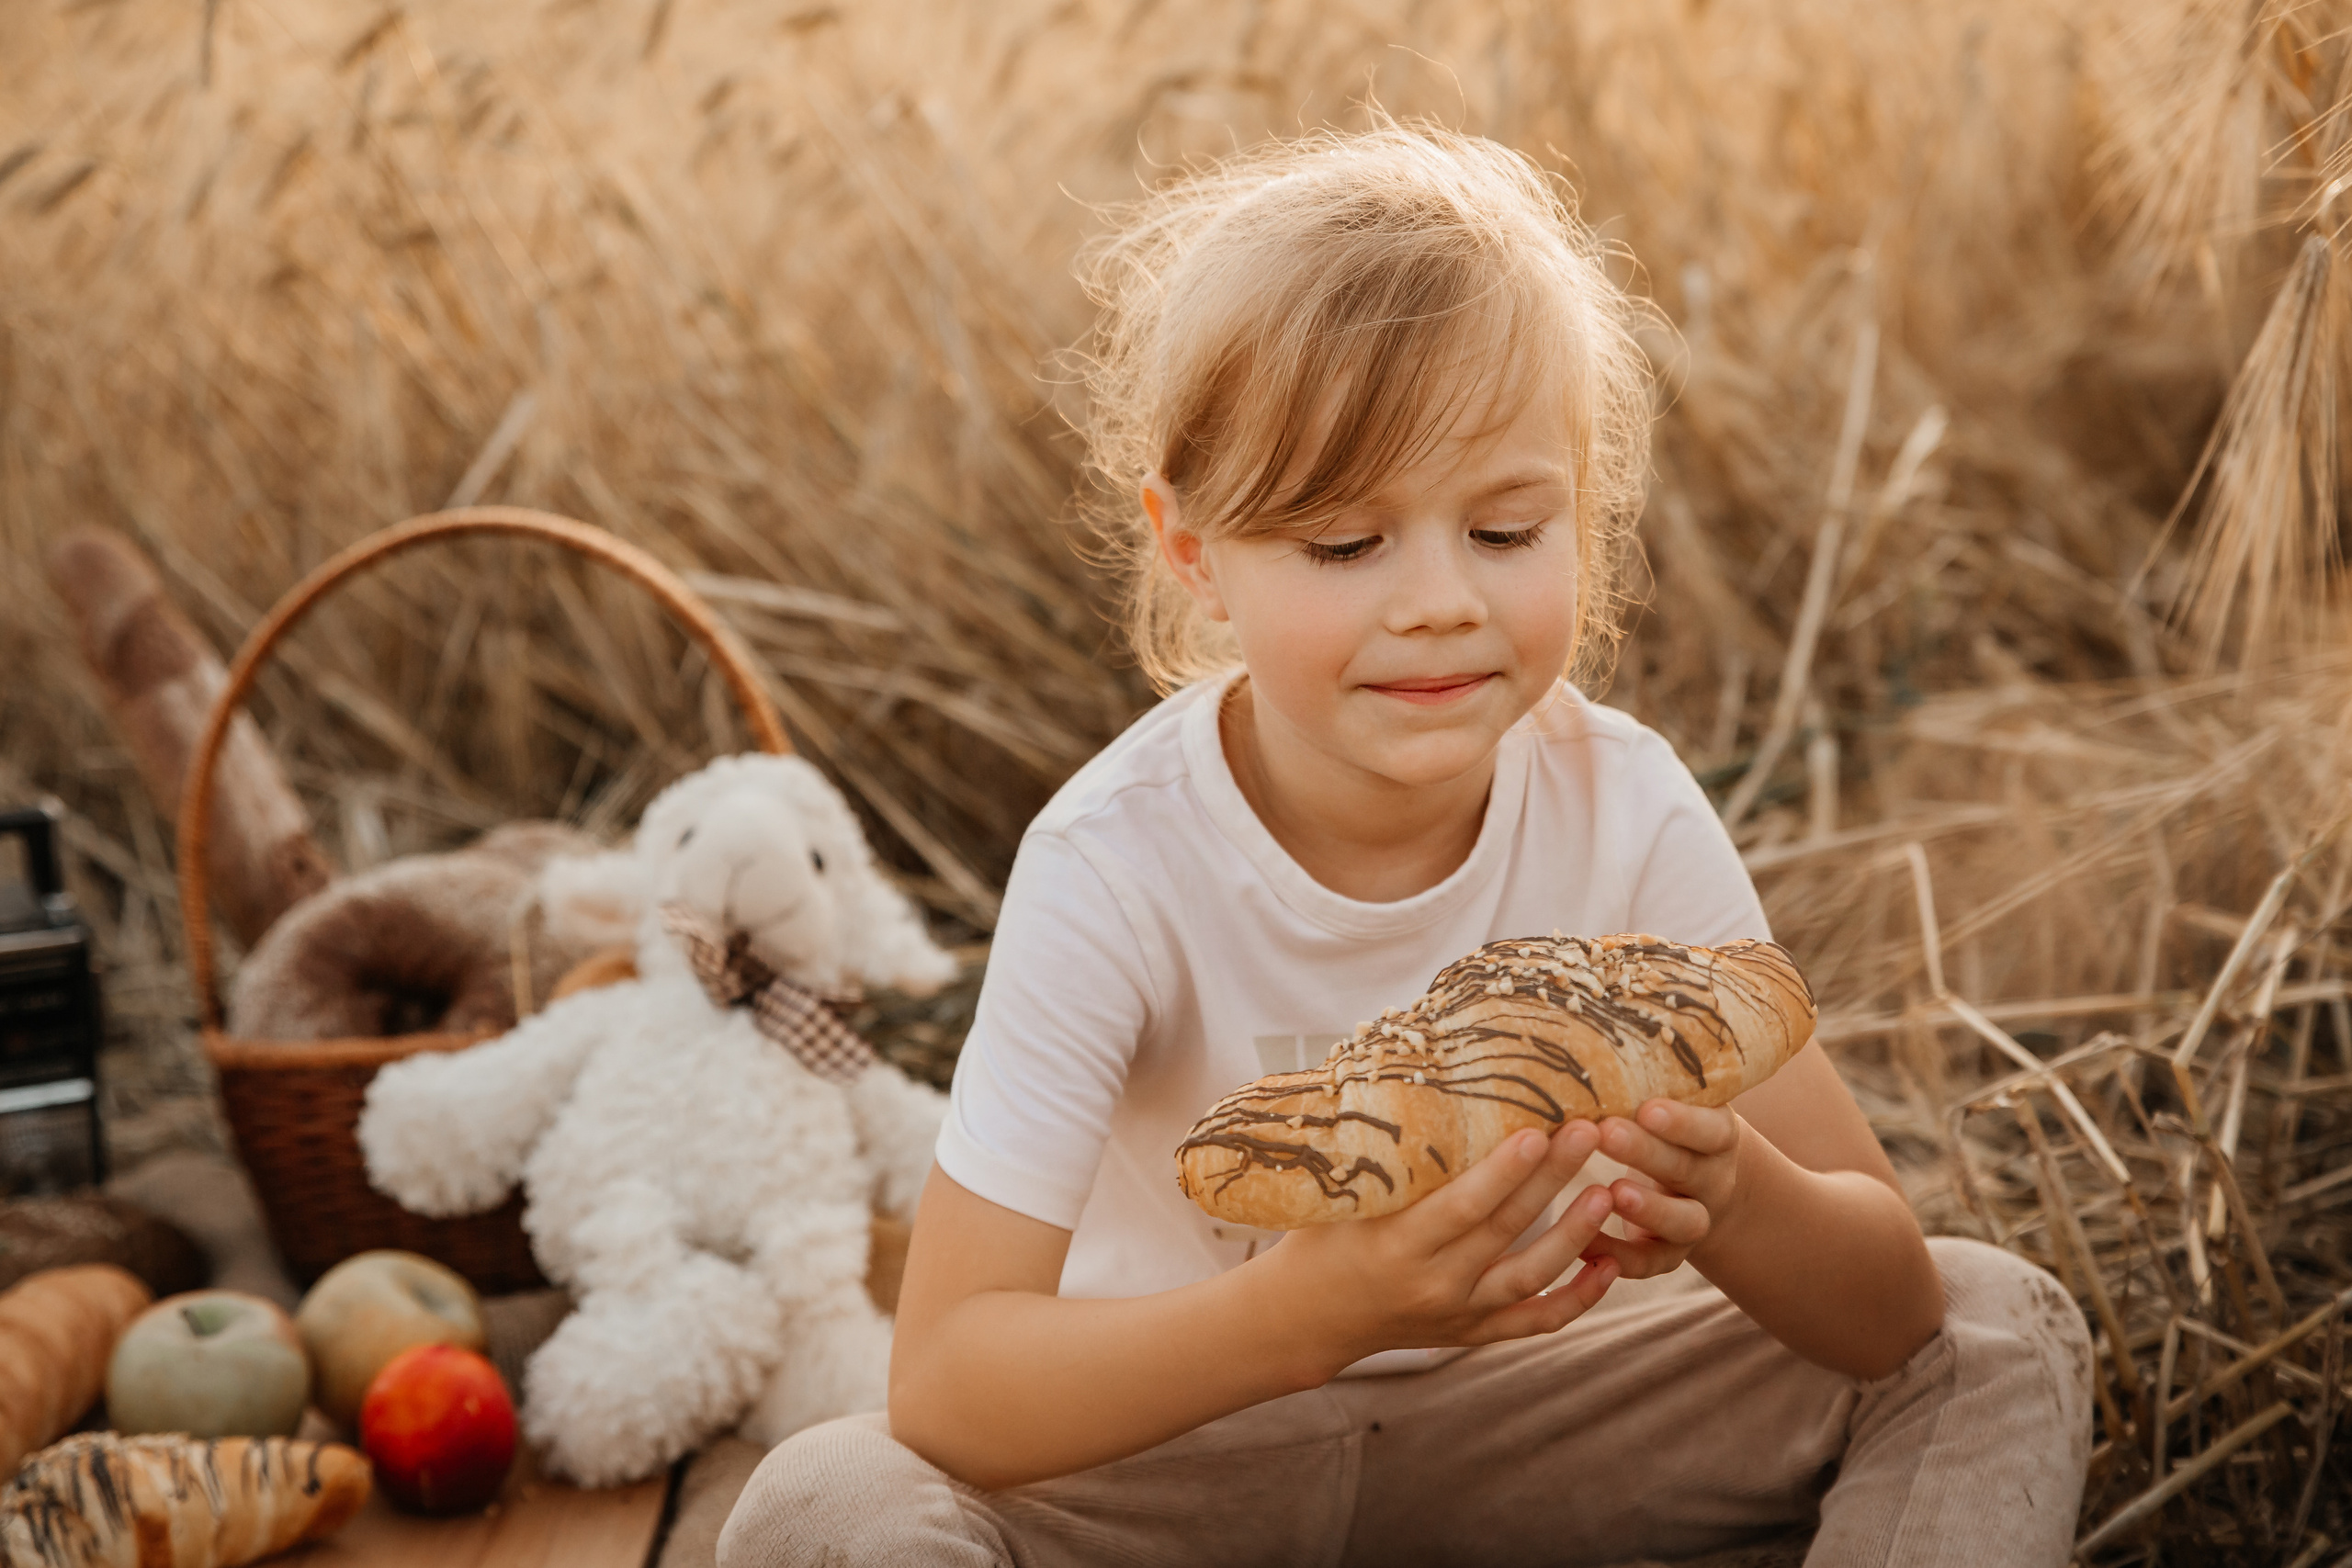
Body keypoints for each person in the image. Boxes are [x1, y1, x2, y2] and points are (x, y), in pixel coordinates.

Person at [719, 121, 2092, 1568]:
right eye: (1344, 545)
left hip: (1541, 1425)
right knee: (828, 1501)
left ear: (1584, 512)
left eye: (1505, 531)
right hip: (1176, 1458)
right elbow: (948, 1382)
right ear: (1193, 550)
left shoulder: (1622, 810)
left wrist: (1738, 1198)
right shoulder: (1114, 864)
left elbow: (1889, 1308)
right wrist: (1307, 1315)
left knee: (1995, 1325)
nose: (1440, 600)